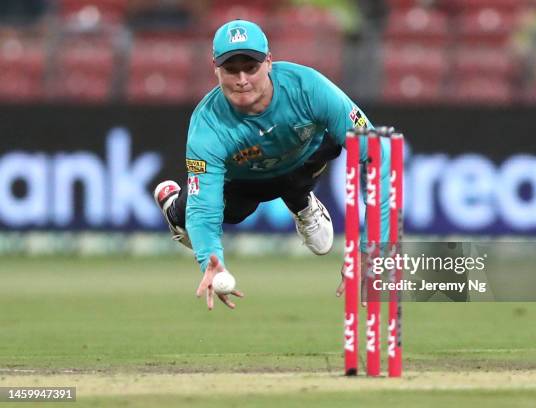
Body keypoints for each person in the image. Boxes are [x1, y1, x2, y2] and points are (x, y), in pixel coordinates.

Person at [154, 19, 391, 310]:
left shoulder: (309, 88)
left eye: (251, 67)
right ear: (215, 67)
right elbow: (205, 208)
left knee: (333, 141)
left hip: (302, 161)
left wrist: (370, 250)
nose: (242, 79)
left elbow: (378, 154)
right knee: (202, 218)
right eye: (231, 69)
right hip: (242, 182)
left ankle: (301, 201)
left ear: (269, 62)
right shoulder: (207, 126)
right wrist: (211, 259)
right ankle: (171, 205)